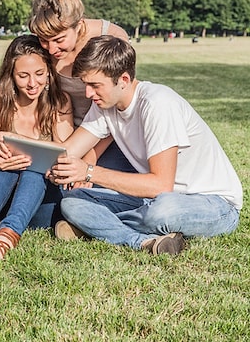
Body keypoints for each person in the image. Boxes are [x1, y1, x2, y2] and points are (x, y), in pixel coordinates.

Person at [48, 35, 243, 255]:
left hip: (213, 204)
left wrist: (89, 172)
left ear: (123, 79)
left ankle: (96, 227)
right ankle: (144, 242)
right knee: (72, 202)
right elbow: (69, 150)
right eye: (86, 84)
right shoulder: (105, 105)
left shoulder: (157, 103)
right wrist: (22, 151)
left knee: (160, 213)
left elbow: (160, 185)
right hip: (151, 200)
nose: (88, 94)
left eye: (95, 85)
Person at [0, 35, 74, 265]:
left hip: (41, 199)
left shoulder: (59, 101)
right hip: (0, 196)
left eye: (39, 73)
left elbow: (67, 154)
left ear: (49, 71)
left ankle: (3, 241)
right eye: (23, 76)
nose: (32, 83)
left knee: (33, 166)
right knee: (4, 166)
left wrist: (19, 141)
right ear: (11, 75)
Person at [29, 0, 136, 177]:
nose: (51, 50)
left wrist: (88, 162)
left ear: (79, 25)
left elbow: (116, 105)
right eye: (44, 40)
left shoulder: (110, 38)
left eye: (59, 40)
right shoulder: (44, 47)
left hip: (111, 135)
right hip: (68, 135)